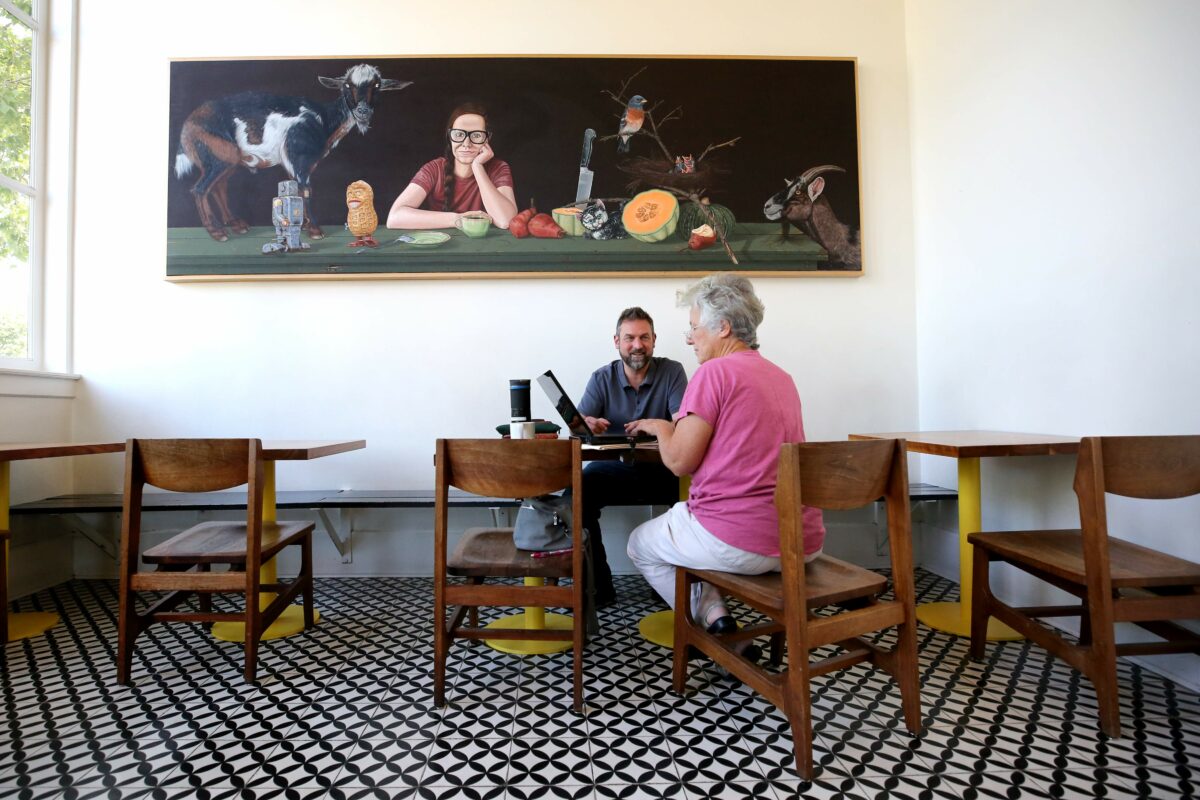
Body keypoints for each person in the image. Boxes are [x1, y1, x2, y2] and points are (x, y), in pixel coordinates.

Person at [626, 273, 825, 653]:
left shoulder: (713, 373)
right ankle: (717, 614)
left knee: (641, 543)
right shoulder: (782, 377)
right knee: (684, 521)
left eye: (693, 327)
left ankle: (711, 637)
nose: (688, 339)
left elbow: (680, 463)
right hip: (801, 539)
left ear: (724, 328)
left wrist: (663, 428)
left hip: (739, 540)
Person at [576, 307, 688, 607]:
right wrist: (588, 425)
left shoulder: (673, 371)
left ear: (654, 340)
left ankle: (669, 585)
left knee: (693, 495)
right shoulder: (601, 377)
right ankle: (597, 586)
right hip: (613, 471)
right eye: (629, 338)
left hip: (664, 471)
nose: (637, 345)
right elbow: (578, 427)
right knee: (577, 493)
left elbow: (684, 424)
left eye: (644, 337)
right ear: (616, 341)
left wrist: (658, 426)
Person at [386, 102, 518, 230]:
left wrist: (477, 166)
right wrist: (458, 219)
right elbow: (394, 217)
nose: (466, 143)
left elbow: (506, 221)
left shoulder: (498, 168)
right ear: (450, 137)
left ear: (487, 139)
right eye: (459, 134)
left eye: (477, 135)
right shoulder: (434, 169)